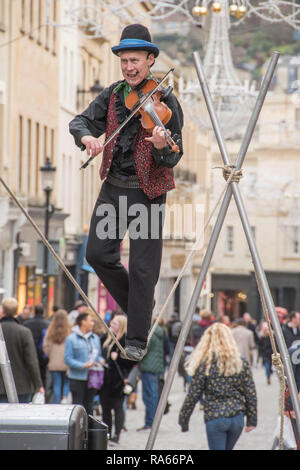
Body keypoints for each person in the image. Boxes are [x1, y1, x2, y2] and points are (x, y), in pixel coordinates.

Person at [69, 23, 183, 362]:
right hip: (114, 187)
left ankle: (137, 337)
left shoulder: (167, 102)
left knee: (143, 268)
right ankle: (140, 308)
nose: (130, 67)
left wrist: (162, 146)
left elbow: (175, 155)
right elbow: (79, 121)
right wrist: (87, 137)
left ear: (150, 60)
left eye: (135, 60)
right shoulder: (113, 94)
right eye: (124, 61)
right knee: (97, 255)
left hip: (148, 193)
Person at [179, 322, 257, 450]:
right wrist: (252, 420)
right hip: (237, 417)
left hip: (215, 416)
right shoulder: (240, 362)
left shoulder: (205, 364)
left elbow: (193, 394)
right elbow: (250, 392)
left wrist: (184, 419)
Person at [0, 298, 44, 403]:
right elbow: (31, 361)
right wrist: (38, 384)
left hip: (1, 387)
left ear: (3, 310)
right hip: (21, 386)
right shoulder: (24, 332)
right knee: (19, 417)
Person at [100, 315, 133, 445]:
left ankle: (116, 435)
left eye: (114, 324)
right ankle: (107, 433)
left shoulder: (124, 341)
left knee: (118, 408)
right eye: (111, 323)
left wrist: (118, 357)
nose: (111, 326)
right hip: (105, 379)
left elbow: (131, 362)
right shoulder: (106, 338)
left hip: (118, 380)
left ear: (121, 326)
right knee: (105, 408)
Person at [64, 313, 104, 415]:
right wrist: (82, 365)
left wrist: (100, 360)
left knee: (89, 405)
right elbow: (68, 359)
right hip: (77, 377)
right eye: (90, 320)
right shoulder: (71, 339)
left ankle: (88, 429)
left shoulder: (95, 338)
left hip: (92, 377)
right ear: (83, 322)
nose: (92, 323)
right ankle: (77, 429)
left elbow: (98, 355)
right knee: (77, 405)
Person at [137, 318, 165, 431]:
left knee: (149, 397)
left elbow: (144, 350)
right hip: (157, 366)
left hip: (149, 367)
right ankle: (152, 421)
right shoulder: (159, 331)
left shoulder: (150, 332)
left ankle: (150, 422)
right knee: (153, 396)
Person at [42, 309, 72, 404]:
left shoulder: (50, 330)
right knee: (66, 382)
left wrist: (50, 355)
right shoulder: (70, 330)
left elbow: (45, 346)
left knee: (56, 384)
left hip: (54, 362)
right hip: (66, 362)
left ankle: (57, 403)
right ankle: (65, 398)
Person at [23, 304, 50, 387]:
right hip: (43, 354)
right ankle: (42, 391)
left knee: (29, 374)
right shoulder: (47, 324)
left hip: (29, 351)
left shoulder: (26, 324)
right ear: (43, 312)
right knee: (43, 375)